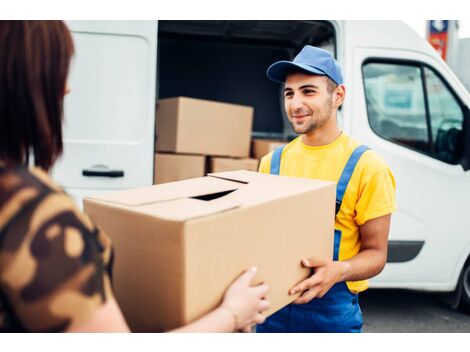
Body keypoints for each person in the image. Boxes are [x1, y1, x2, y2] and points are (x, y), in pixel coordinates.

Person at [0, 20, 270, 333]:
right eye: (58, 69)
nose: (66, 87)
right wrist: (233, 314)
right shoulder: (30, 210)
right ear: (24, 78)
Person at [255, 45, 397, 333]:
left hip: (332, 315)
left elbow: (376, 253)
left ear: (338, 96)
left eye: (309, 91)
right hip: (273, 309)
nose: (295, 104)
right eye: (289, 93)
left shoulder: (367, 166)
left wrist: (339, 270)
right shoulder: (271, 163)